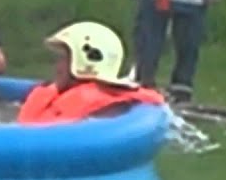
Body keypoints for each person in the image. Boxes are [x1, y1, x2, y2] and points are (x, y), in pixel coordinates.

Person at [17, 21, 166, 125]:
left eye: (63, 59)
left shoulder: (105, 110)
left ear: (85, 61)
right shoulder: (60, 96)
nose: (57, 67)